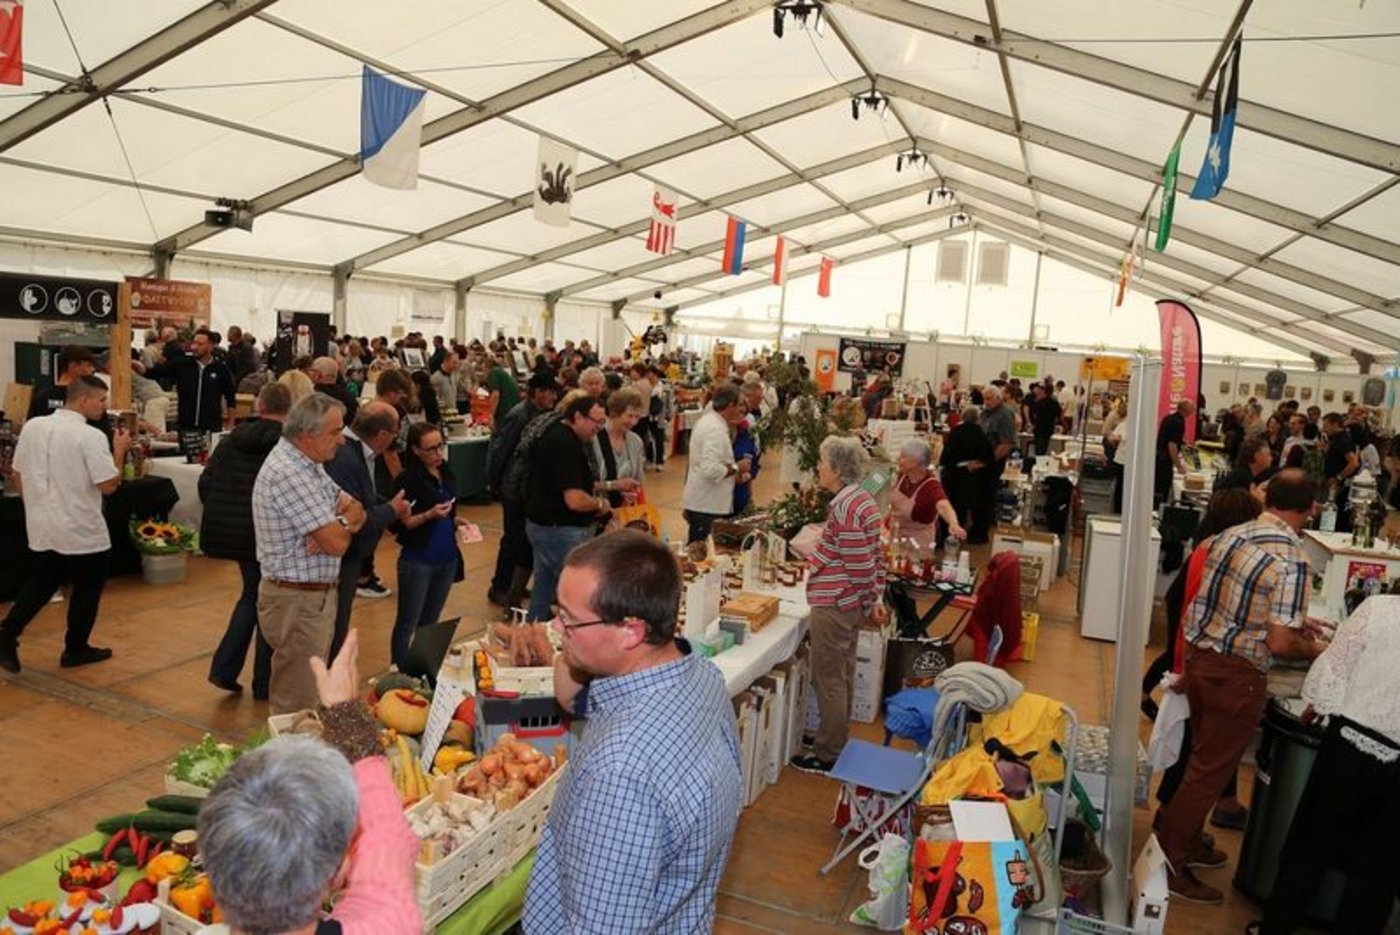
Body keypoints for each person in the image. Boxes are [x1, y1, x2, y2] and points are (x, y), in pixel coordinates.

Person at [523, 531, 741, 933]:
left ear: (631, 631)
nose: (557, 627)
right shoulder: (700, 676)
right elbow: (572, 699)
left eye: (568, 619)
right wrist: (577, 646)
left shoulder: (619, 771)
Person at [1156, 469, 1328, 905]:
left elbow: (1226, 599)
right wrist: (1314, 649)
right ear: (1311, 508)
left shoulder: (1231, 535)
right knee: (1207, 776)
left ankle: (1184, 841)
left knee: (1200, 762)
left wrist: (1292, 621)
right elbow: (1278, 641)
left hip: (1202, 661)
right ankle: (1169, 863)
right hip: (1237, 676)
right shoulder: (1292, 558)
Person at [199, 629, 420, 935]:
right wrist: (345, 712)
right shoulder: (389, 923)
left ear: (214, 877)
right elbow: (387, 835)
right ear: (338, 873)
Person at [1253, 595, 1400, 934]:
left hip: (1350, 745)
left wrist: (1321, 703)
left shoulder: (1378, 609)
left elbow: (1333, 669)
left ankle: (1276, 927)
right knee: (1378, 870)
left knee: (1310, 848)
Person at [1146, 488, 1262, 828]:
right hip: (1199, 667)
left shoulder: (1209, 547)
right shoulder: (1219, 553)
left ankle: (1179, 828)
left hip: (1194, 665)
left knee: (1194, 751)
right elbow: (1194, 617)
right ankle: (1173, 834)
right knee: (1194, 756)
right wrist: (1186, 667)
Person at [0, 376, 130, 673]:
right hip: (80, 526)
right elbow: (109, 484)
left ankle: (8, 632)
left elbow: (17, 473)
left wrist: (34, 503)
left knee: (42, 582)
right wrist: (119, 450)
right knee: (87, 588)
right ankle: (75, 647)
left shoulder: (34, 426)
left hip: (42, 523)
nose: (104, 407)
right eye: (101, 401)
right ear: (83, 400)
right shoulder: (90, 436)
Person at [252, 394, 367, 714]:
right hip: (297, 602)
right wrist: (335, 528)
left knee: (310, 695)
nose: (342, 440)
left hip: (311, 599)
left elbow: (357, 508)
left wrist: (337, 523)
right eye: (334, 432)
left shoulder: (309, 466)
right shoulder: (290, 472)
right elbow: (338, 543)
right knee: (297, 704)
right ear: (306, 435)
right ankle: (291, 763)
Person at [791, 436, 887, 775]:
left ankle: (829, 752)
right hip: (849, 601)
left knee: (828, 676)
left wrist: (861, 595)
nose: (818, 468)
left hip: (835, 601)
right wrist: (872, 596)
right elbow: (875, 557)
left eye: (821, 463)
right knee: (841, 673)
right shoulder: (862, 499)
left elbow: (859, 561)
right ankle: (836, 740)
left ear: (836, 469)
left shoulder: (844, 507)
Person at [202, 383, 291, 699]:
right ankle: (262, 681)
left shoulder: (229, 442)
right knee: (266, 601)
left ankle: (226, 669)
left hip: (235, 533)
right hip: (271, 534)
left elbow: (206, 483)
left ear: (258, 405)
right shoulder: (286, 446)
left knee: (253, 596)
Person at [325, 402, 411, 662]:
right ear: (382, 435)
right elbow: (355, 515)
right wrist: (391, 511)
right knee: (335, 625)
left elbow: (365, 499)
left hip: (349, 555)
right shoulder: (346, 457)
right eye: (395, 433)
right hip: (342, 557)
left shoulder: (355, 453)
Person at [524, 393, 609, 622]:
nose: (598, 428)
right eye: (596, 421)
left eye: (602, 423)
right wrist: (600, 504)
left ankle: (533, 636)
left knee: (543, 590)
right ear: (578, 416)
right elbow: (575, 500)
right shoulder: (565, 444)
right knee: (577, 594)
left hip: (545, 527)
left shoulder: (557, 434)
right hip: (559, 531)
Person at [388, 424, 465, 670]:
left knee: (431, 621)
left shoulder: (447, 472)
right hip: (418, 560)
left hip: (446, 558)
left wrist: (456, 520)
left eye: (440, 446)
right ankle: (399, 673)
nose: (437, 453)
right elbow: (401, 525)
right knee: (407, 623)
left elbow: (450, 508)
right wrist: (429, 515)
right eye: (430, 449)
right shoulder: (408, 480)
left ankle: (423, 670)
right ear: (416, 450)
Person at [486, 373, 559, 610]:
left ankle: (514, 585)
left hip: (526, 489)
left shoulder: (541, 414)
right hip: (514, 489)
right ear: (537, 392)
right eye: (549, 392)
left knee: (524, 541)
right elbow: (501, 449)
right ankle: (499, 586)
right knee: (513, 540)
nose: (553, 397)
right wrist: (495, 483)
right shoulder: (519, 415)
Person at [681, 383, 750, 544]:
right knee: (702, 556)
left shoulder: (711, 422)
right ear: (730, 405)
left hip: (704, 503)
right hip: (707, 506)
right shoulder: (715, 429)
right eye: (740, 405)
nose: (742, 410)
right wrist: (737, 467)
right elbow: (710, 469)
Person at [146, 327, 238, 433]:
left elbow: (231, 398)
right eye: (194, 343)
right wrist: (134, 364)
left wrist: (231, 423)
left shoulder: (221, 369)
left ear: (211, 346)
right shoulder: (182, 364)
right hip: (185, 427)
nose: (194, 347)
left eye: (200, 344)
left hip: (211, 428)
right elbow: (153, 373)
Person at [939, 407, 996, 543]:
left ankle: (951, 534)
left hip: (956, 475)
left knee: (956, 506)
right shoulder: (981, 434)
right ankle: (976, 536)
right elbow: (990, 458)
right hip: (977, 477)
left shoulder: (956, 432)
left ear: (962, 417)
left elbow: (946, 457)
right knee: (976, 507)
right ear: (977, 419)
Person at [592, 387, 645, 510]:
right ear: (614, 412)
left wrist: (632, 493)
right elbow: (582, 485)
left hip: (624, 512)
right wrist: (614, 486)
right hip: (596, 513)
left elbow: (638, 480)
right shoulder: (593, 439)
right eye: (630, 416)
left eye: (637, 417)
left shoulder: (635, 441)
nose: (633, 422)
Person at [27, 344, 98, 420]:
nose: (93, 369)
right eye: (88, 365)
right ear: (73, 366)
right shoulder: (84, 398)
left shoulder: (41, 396)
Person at [1320, 411, 1359, 531]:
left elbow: (1353, 462)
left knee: (1335, 516)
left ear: (1336, 424)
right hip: (1335, 482)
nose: (1324, 429)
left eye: (1326, 426)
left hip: (1340, 486)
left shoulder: (1342, 440)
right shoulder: (1337, 439)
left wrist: (1338, 478)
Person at [1154, 399, 1194, 507]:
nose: (1194, 408)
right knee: (1162, 489)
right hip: (1164, 460)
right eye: (1192, 407)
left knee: (1158, 487)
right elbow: (1172, 445)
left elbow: (1169, 438)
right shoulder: (1178, 422)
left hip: (1159, 456)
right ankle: (1158, 510)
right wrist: (1179, 466)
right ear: (1185, 409)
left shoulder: (1169, 418)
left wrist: (1183, 442)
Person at [1215, 435, 1273, 500]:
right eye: (1268, 454)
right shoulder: (1242, 480)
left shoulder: (1243, 473)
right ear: (1257, 456)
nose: (1271, 458)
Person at [310, 356, 359, 422]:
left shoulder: (313, 396)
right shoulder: (350, 397)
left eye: (312, 371)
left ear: (318, 374)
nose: (310, 374)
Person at [485, 352, 520, 427]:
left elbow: (495, 395)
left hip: (504, 413)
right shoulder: (502, 372)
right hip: (513, 411)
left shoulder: (493, 372)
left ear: (486, 367)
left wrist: (490, 416)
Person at [1031, 382, 1062, 456]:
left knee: (1038, 450)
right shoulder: (1055, 403)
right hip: (1049, 429)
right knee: (1044, 448)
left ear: (1044, 391)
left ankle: (1038, 463)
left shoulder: (1039, 402)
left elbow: (1034, 415)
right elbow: (1059, 415)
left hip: (1039, 428)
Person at [429, 350, 459, 418]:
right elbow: (436, 399)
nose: (456, 365)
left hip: (453, 413)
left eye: (457, 363)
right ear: (446, 361)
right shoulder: (436, 378)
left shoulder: (453, 374)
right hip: (443, 415)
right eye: (454, 363)